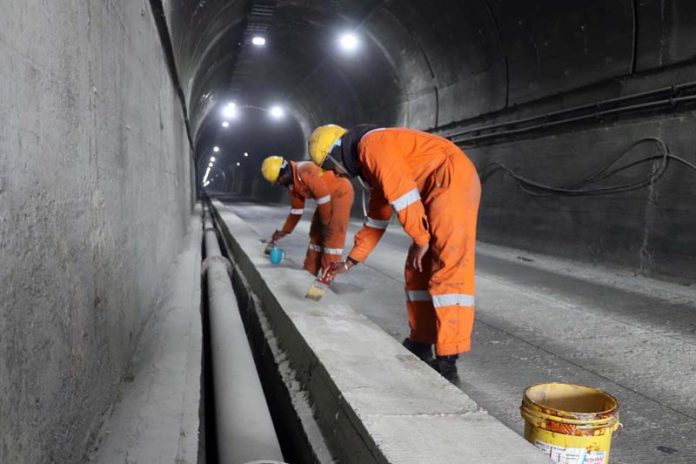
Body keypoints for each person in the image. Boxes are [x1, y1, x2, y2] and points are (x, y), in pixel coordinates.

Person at [307, 124, 481, 383]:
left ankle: (448, 361)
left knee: (448, 263)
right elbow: (378, 216)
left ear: (335, 153)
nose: (334, 173)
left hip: (451, 177)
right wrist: (351, 260)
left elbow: (403, 194)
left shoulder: (372, 145)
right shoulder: (369, 164)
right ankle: (421, 341)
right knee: (416, 268)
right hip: (435, 186)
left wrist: (421, 238)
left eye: (331, 166)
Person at [260, 155, 354, 276]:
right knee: (316, 234)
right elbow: (296, 210)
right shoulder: (292, 184)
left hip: (340, 193)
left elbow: (323, 198)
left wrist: (325, 224)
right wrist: (284, 231)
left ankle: (327, 276)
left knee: (332, 236)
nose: (278, 183)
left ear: (283, 173)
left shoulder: (304, 170)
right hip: (325, 199)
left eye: (278, 180)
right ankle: (308, 273)